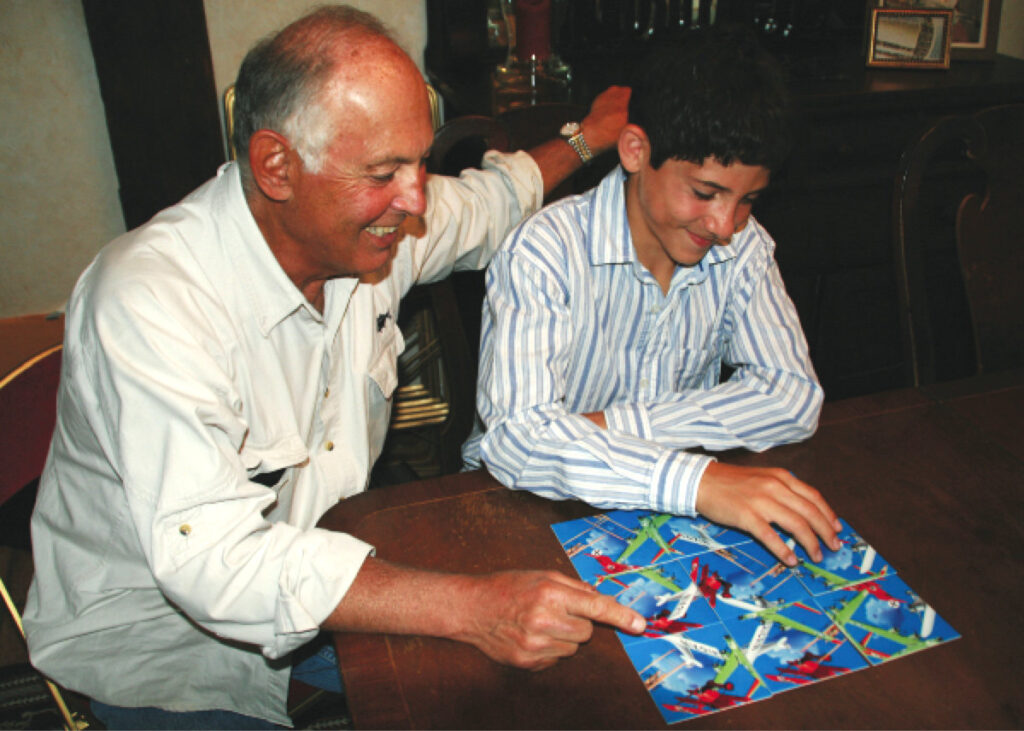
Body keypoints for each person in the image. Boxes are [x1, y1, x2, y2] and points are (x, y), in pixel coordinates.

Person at [23, 6, 642, 728]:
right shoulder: (150, 299)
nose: (414, 200)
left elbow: (485, 202)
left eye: (419, 162)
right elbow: (214, 562)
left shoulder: (370, 228)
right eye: (385, 172)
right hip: (163, 651)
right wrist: (471, 605)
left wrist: (586, 135)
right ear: (276, 165)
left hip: (319, 583)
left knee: (540, 690)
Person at [463, 25, 843, 569]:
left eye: (748, 200)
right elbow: (519, 441)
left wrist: (614, 425)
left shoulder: (743, 246)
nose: (725, 225)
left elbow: (791, 396)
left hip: (657, 519)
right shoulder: (545, 250)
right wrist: (700, 479)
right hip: (519, 514)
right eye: (705, 193)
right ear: (637, 150)